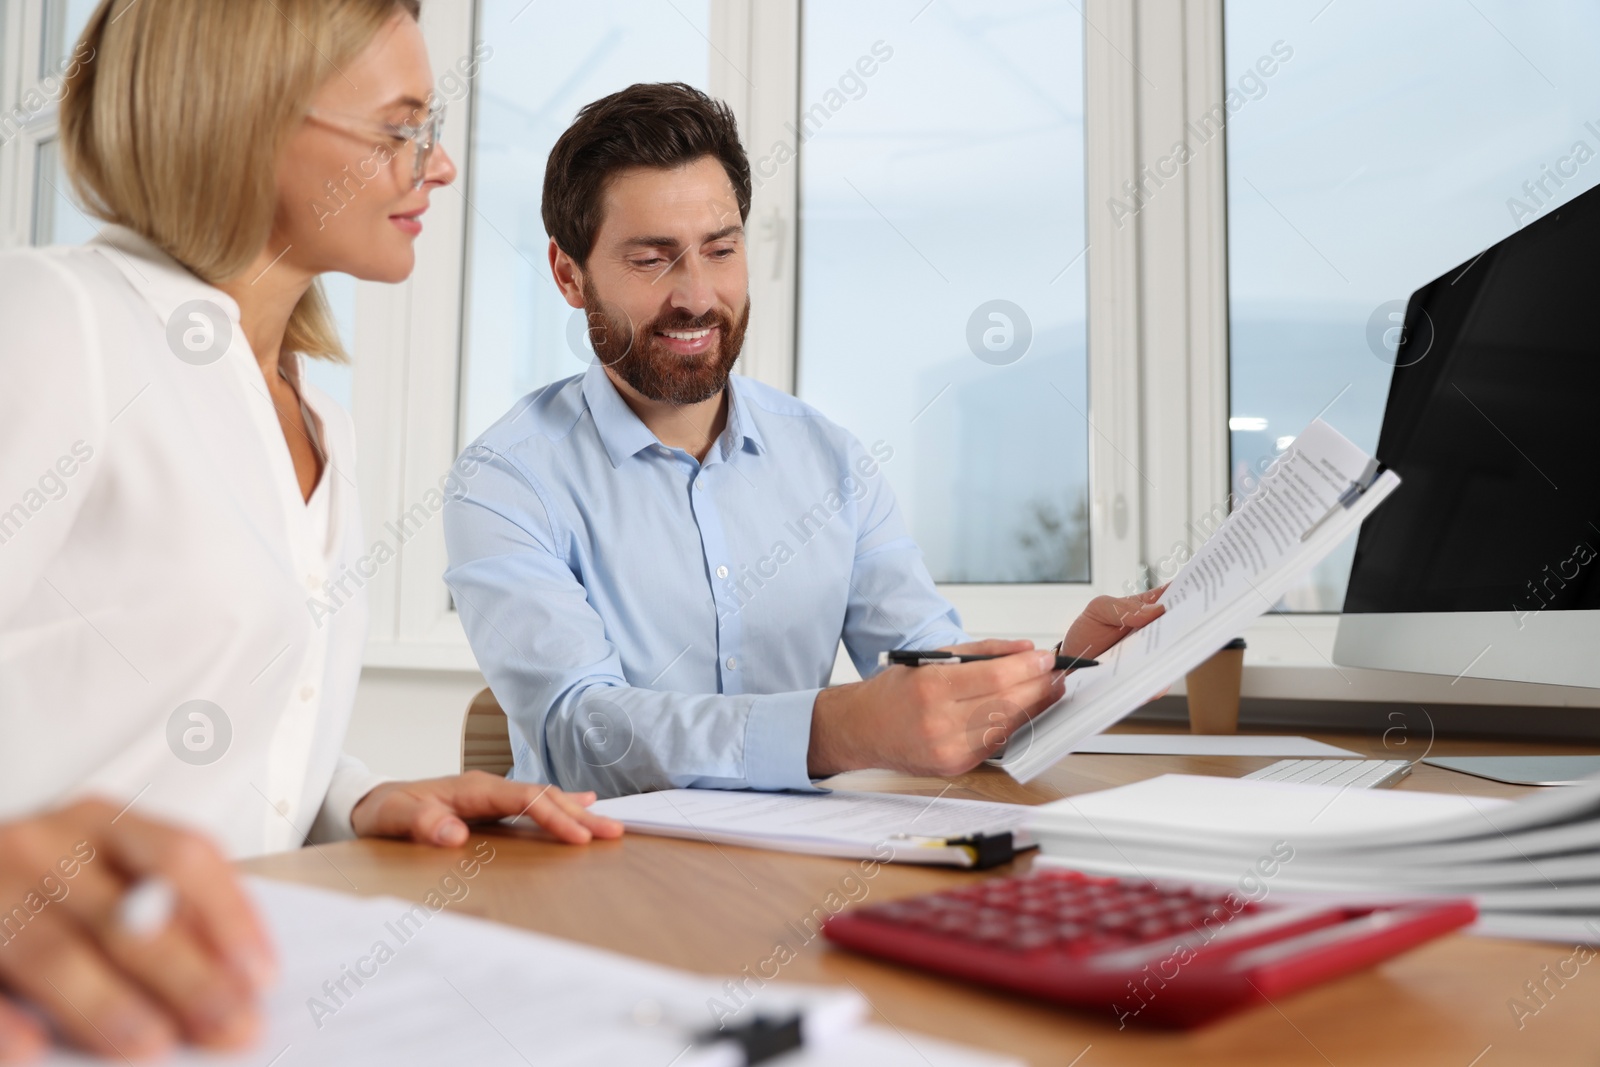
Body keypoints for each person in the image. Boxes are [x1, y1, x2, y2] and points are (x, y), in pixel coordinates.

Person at [0, 1, 619, 1059]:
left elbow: (208, 717)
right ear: (243, 119)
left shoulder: (312, 409)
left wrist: (355, 793)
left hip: (220, 998)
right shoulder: (58, 320)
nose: (440, 166)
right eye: (400, 128)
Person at [442, 82, 1165, 799]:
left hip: (796, 877)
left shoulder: (834, 463)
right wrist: (836, 728)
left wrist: (1065, 672)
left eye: (719, 250)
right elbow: (583, 731)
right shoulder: (506, 479)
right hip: (592, 881)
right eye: (651, 259)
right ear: (569, 274)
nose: (696, 294)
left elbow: (928, 679)